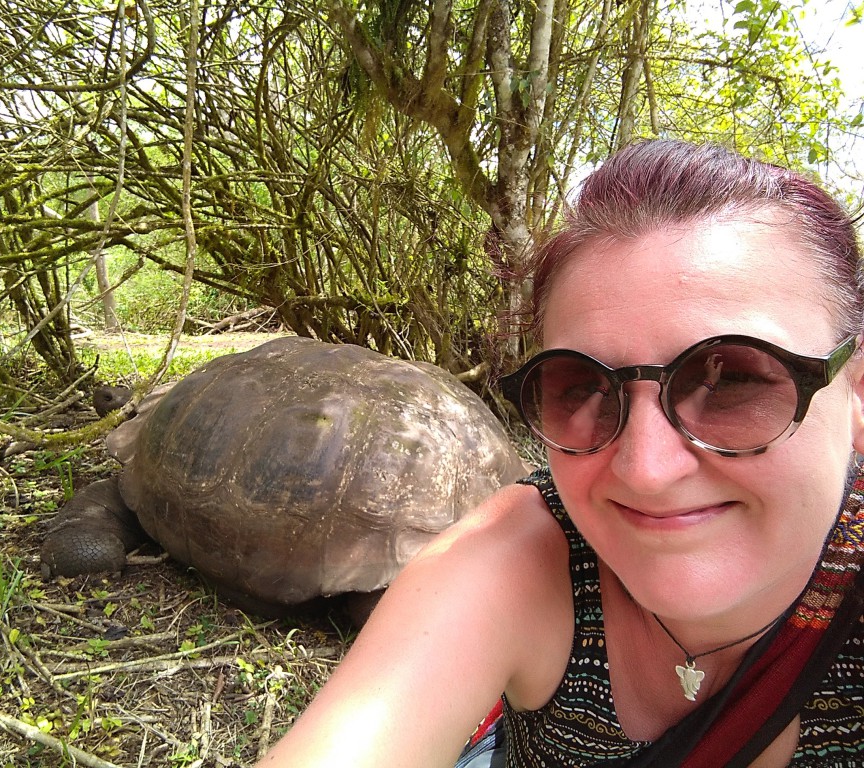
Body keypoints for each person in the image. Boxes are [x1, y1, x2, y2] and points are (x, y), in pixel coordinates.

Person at [256, 139, 864, 767]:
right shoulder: (514, 561)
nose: (645, 470)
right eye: (583, 385)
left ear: (856, 393)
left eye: (733, 378)